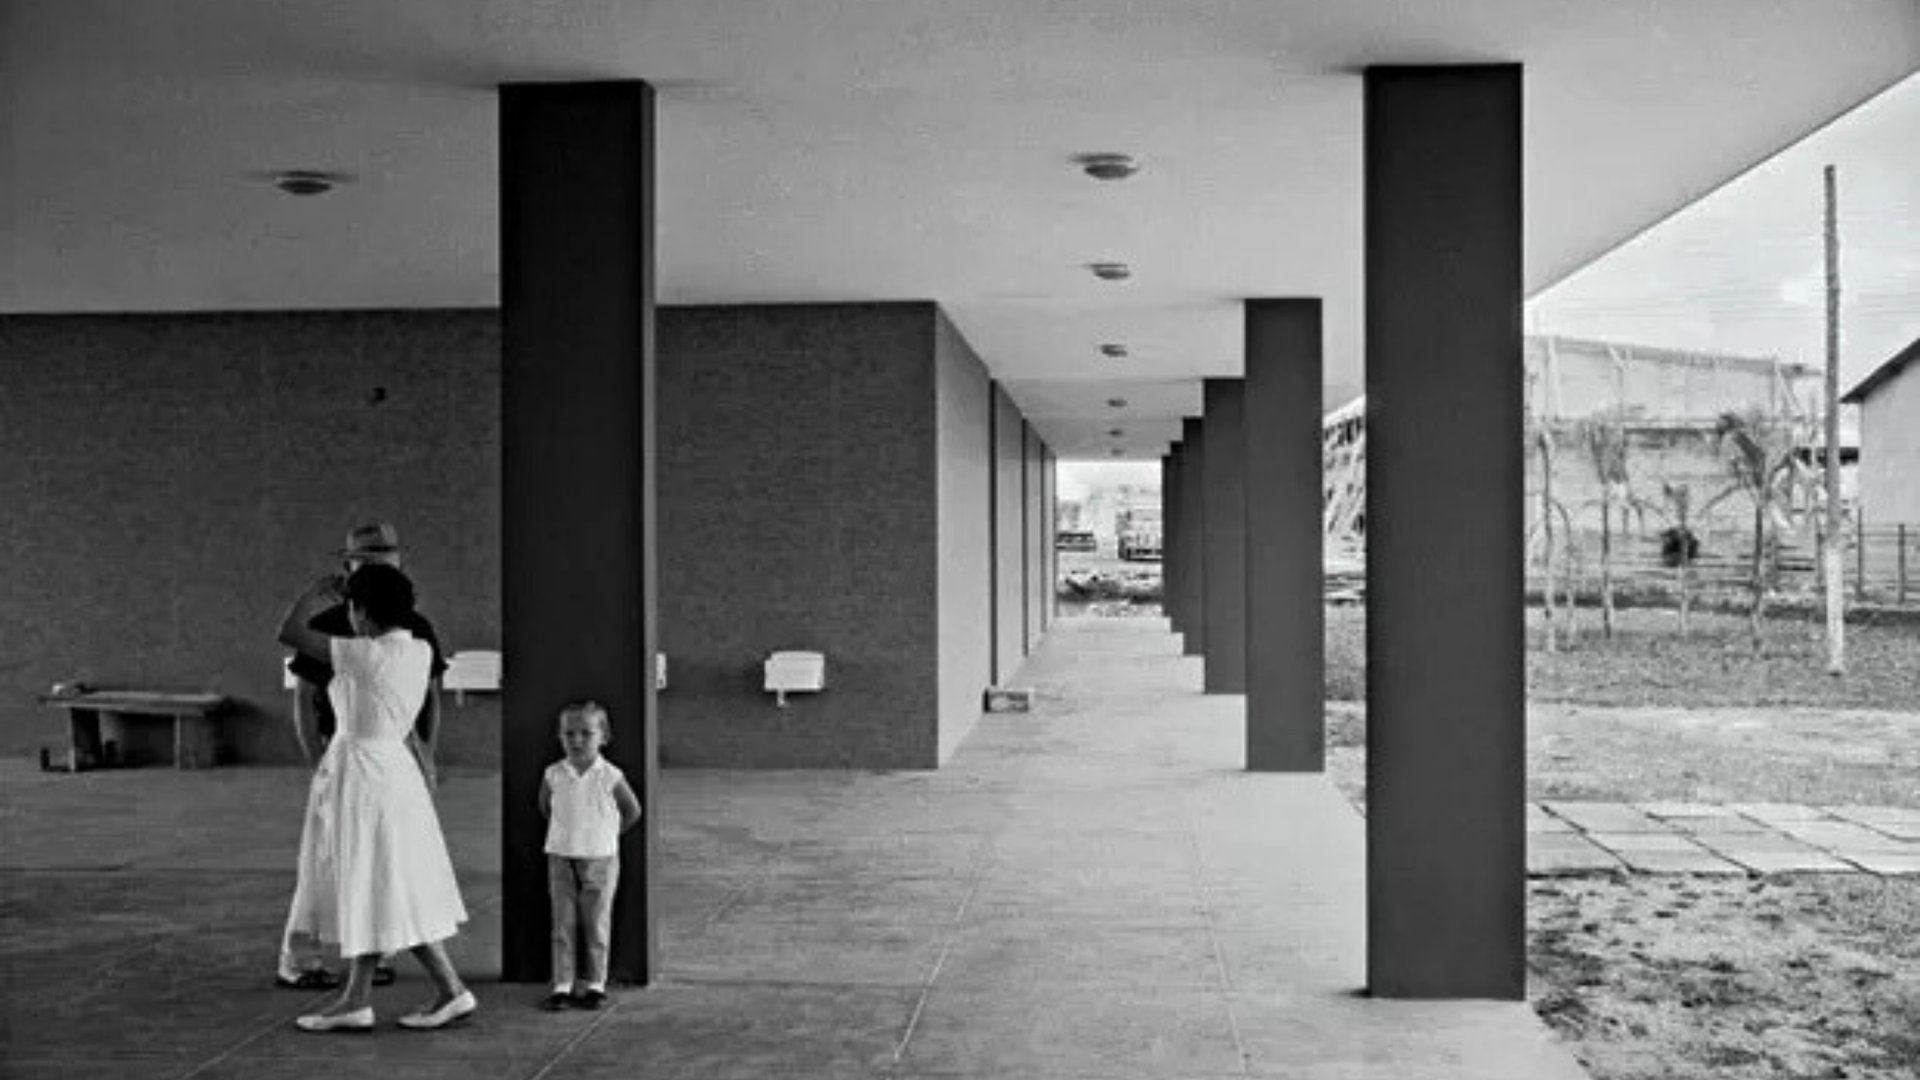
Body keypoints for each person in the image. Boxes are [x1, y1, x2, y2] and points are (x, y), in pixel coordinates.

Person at [281, 563, 476, 1032]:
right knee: (382, 882)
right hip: (394, 770)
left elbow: (289, 632)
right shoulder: (421, 649)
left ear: (361, 611)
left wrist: (313, 593)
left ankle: (435, 991)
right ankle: (367, 996)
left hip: (362, 774)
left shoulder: (364, 654)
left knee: (374, 880)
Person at [274, 522, 447, 990]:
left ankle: (372, 961)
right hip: (353, 753)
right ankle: (309, 957)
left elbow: (429, 698)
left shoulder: (409, 631)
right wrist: (318, 760)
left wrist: (426, 751)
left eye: (384, 557)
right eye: (367, 559)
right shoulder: (343, 627)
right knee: (340, 861)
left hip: (382, 754)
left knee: (374, 862)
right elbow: (306, 700)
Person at [538, 701, 642, 1011]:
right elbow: (545, 807)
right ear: (560, 736)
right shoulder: (554, 774)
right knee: (562, 923)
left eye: (587, 733)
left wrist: (608, 835)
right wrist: (565, 834)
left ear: (603, 737)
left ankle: (596, 983)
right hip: (560, 857)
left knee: (596, 922)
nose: (577, 740)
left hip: (601, 859)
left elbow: (632, 810)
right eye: (569, 733)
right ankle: (563, 984)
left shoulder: (609, 775)